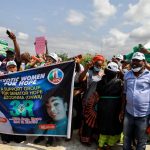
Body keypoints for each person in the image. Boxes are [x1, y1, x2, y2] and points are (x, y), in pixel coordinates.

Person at [119, 52, 150, 150]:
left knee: (141, 140)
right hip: (129, 113)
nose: (135, 63)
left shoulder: (149, 75)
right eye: (133, 60)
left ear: (144, 62)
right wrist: (122, 110)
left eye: (138, 60)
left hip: (144, 115)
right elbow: (124, 93)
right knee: (126, 137)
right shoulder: (127, 74)